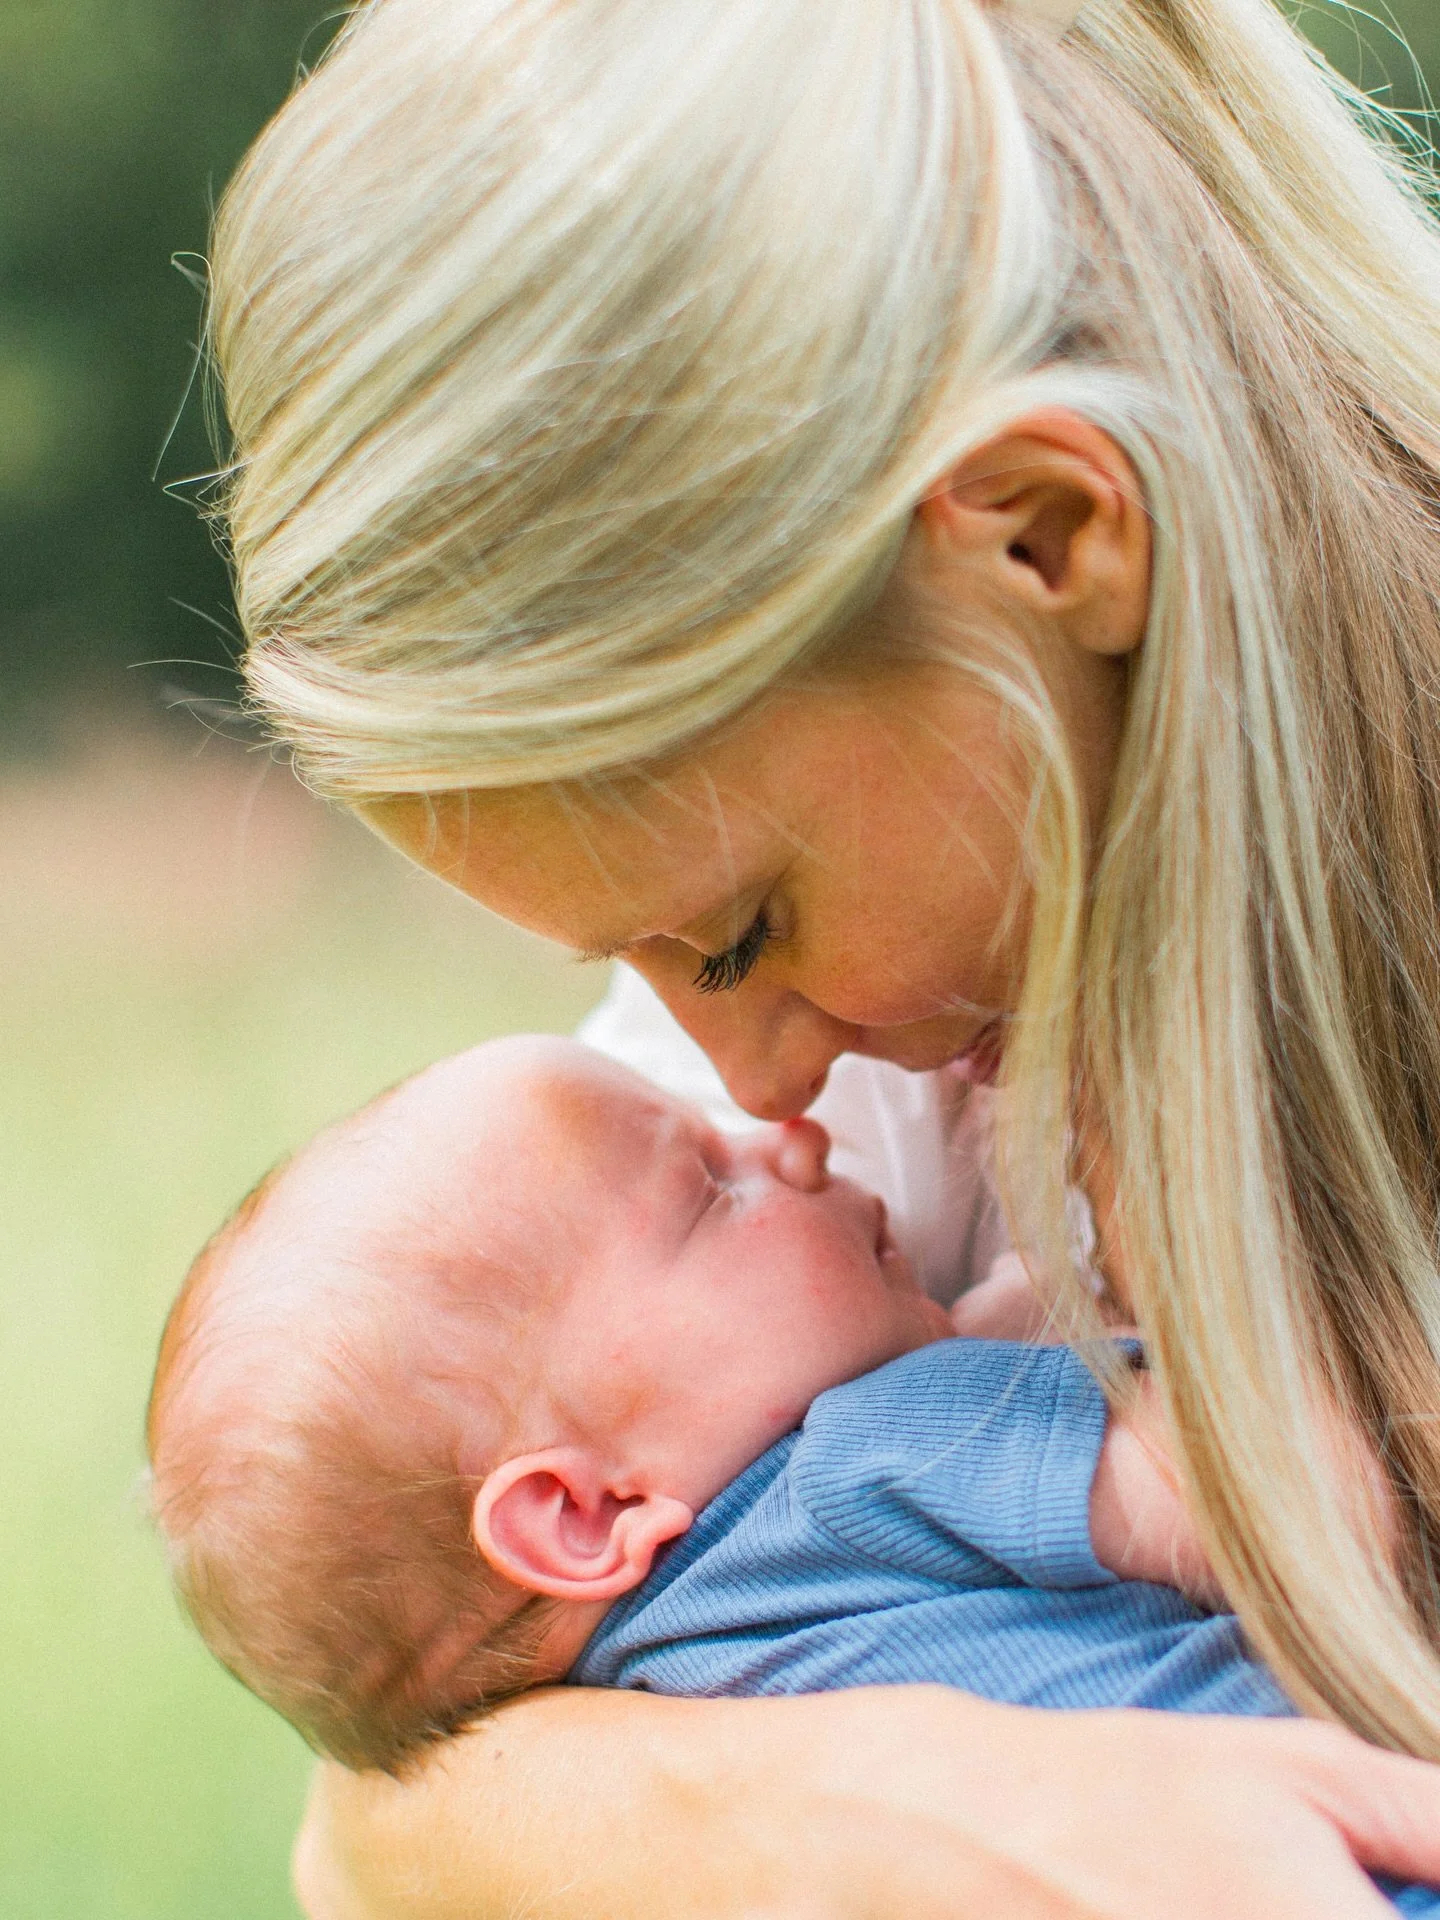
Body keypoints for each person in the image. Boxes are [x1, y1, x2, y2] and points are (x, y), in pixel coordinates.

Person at [203, 0, 1440, 1910]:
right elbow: (378, 1797)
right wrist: (850, 1805)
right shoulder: (882, 1070)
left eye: (742, 933)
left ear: (1040, 538)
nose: (762, 1093)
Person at [146, 1034, 1440, 1912]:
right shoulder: (873, 1444)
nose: (794, 1141)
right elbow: (1312, 1499)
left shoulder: (651, 1702)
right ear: (583, 1513)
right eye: (711, 1189)